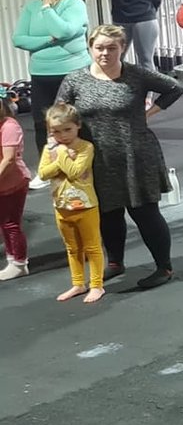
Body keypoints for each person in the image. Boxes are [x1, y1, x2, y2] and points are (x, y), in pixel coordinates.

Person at [57, 25, 183, 290]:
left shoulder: (135, 75)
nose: (105, 53)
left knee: (145, 213)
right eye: (99, 47)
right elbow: (60, 113)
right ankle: (115, 263)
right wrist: (57, 144)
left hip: (135, 155)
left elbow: (174, 88)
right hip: (96, 160)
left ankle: (164, 267)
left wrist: (148, 114)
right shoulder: (75, 79)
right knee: (107, 213)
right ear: (90, 47)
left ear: (122, 48)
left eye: (112, 48)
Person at [14, 0, 92, 184]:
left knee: (78, 119)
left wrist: (48, 9)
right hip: (41, 72)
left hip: (73, 71)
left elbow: (65, 30)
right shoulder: (30, 7)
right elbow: (19, 39)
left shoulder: (75, 5)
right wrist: (50, 39)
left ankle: (84, 162)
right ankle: (46, 168)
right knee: (41, 122)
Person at [40, 104, 104, 303]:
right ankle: (78, 283)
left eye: (67, 129)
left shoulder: (86, 147)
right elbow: (43, 173)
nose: (62, 135)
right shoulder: (50, 149)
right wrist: (61, 156)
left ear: (78, 126)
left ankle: (97, 285)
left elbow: (75, 172)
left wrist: (59, 155)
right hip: (61, 206)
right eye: (56, 131)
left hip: (86, 206)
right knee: (72, 248)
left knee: (92, 247)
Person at [0, 95, 29, 281]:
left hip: (13, 182)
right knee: (5, 224)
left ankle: (19, 263)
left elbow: (9, 159)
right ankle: (12, 259)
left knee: (11, 224)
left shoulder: (9, 126)